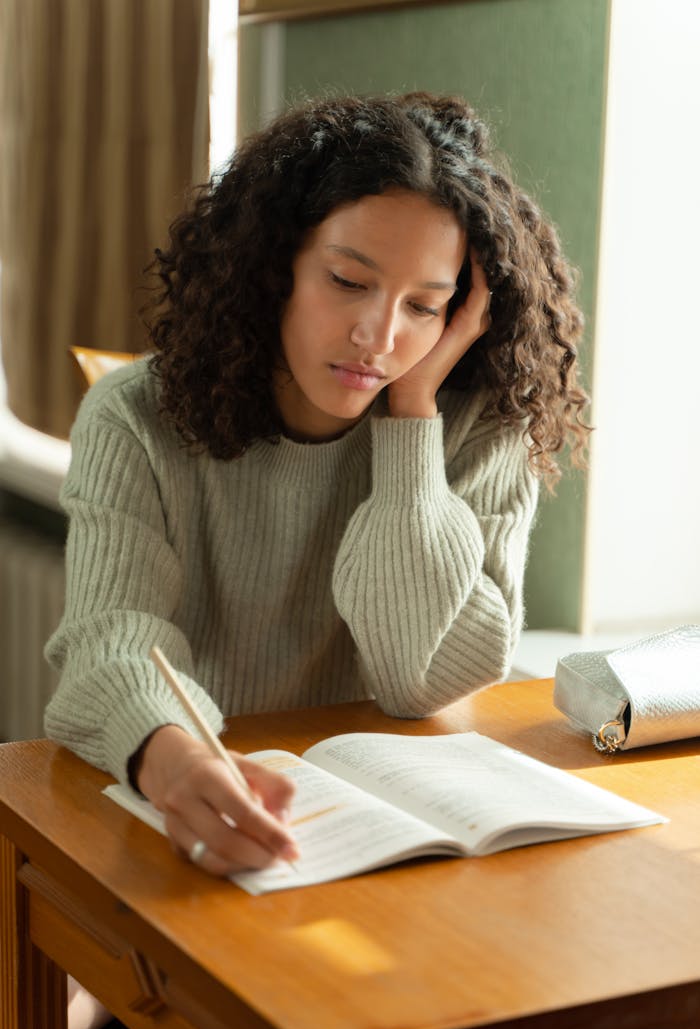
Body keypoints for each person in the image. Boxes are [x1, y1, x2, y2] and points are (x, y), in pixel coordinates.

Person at [45, 91, 588, 885]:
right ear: (275, 269)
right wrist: (171, 756)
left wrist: (410, 417)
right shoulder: (134, 419)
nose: (380, 337)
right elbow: (109, 637)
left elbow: (421, 683)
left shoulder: (478, 422)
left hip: (380, 843)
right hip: (183, 808)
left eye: (425, 307)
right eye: (347, 281)